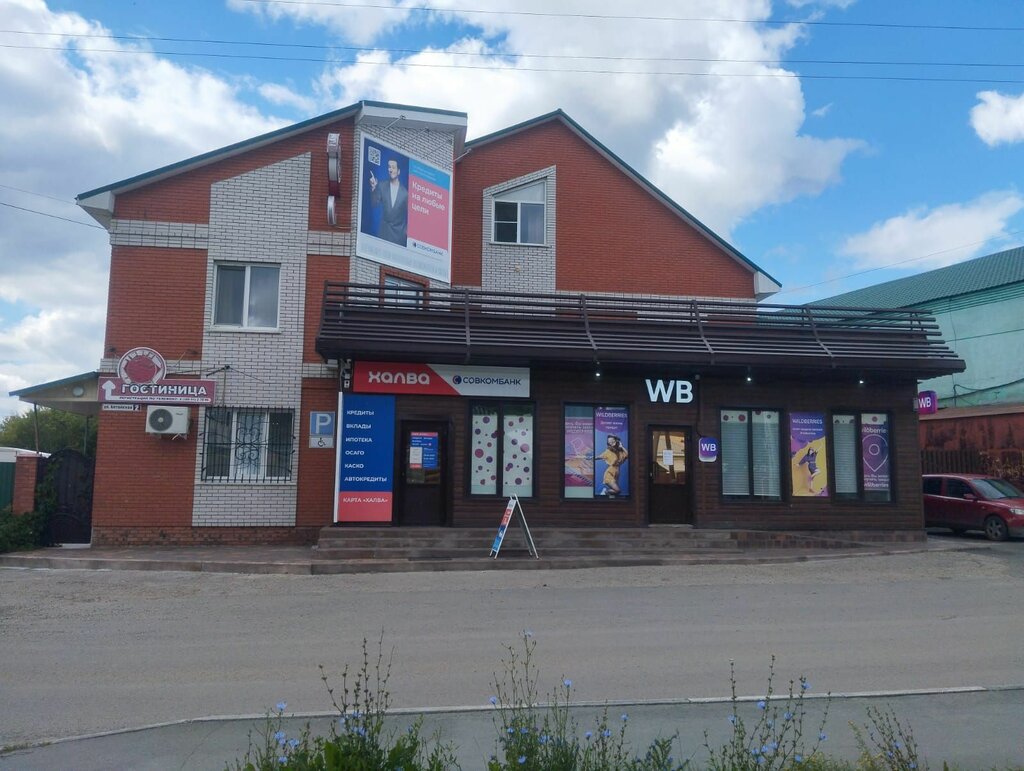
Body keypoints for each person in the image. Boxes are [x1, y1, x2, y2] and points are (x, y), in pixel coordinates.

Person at [368, 158, 408, 245]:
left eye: (393, 167)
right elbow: (374, 204)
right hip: (383, 234)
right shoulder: (382, 185)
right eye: (389, 167)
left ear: (399, 171)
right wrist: (374, 188)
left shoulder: (405, 193)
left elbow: (411, 216)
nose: (390, 170)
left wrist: (406, 232)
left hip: (398, 237)